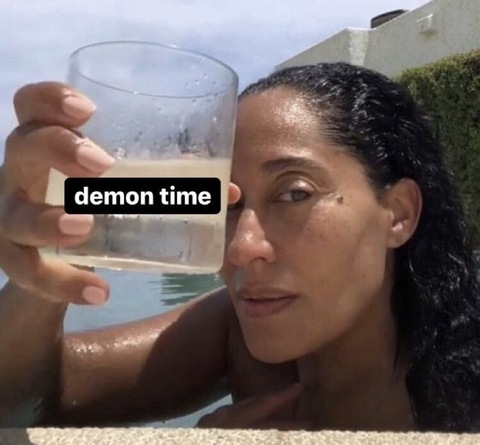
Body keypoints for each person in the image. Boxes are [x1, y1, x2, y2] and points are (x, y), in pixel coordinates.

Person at [0, 62, 479, 432]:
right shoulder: (236, 332)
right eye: (229, 204)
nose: (241, 248)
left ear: (398, 213)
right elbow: (27, 402)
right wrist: (41, 273)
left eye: (295, 194)